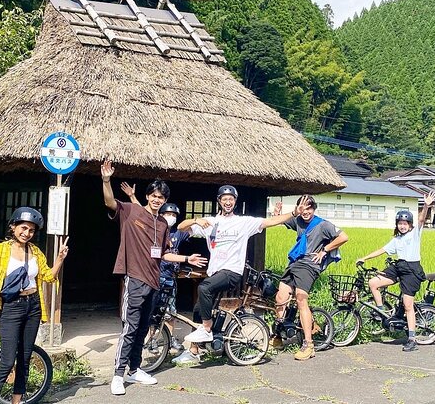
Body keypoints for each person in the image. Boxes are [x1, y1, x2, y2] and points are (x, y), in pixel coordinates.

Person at [101, 161, 206, 395]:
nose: (157, 199)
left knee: (142, 328)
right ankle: (118, 375)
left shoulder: (162, 224)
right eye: (154, 195)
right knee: (130, 327)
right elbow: (109, 202)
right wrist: (106, 180)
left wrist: (186, 259)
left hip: (154, 280)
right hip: (135, 278)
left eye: (161, 197)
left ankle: (135, 369)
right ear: (148, 196)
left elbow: (165, 253)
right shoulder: (131, 211)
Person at [171, 184, 306, 364]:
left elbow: (270, 222)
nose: (228, 202)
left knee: (203, 288)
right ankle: (195, 351)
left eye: (231, 199)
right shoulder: (210, 222)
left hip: (232, 271)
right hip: (216, 271)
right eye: (224, 199)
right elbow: (181, 227)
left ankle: (207, 329)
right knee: (198, 308)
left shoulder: (244, 222)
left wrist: (294, 213)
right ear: (219, 201)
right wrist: (196, 220)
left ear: (235, 202)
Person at [0, 207, 69, 404]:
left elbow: (48, 276)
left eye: (31, 230)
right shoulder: (0, 250)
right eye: (23, 228)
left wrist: (60, 258)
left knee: (24, 359)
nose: (27, 233)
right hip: (12, 307)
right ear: (13, 226)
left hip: (33, 306)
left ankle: (16, 401)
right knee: (8, 360)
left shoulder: (36, 252)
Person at [355, 192, 435, 352]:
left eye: (405, 223)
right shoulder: (396, 240)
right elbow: (382, 250)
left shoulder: (415, 234)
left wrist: (426, 205)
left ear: (410, 225)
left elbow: (421, 220)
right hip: (398, 267)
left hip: (412, 271)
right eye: (400, 223)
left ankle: (412, 339)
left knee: (408, 305)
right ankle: (381, 311)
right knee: (373, 283)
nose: (402, 226)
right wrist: (364, 258)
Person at [271, 194, 349, 360]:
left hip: (309, 266)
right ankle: (278, 335)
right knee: (280, 297)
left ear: (314, 209)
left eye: (309, 208)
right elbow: (281, 221)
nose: (305, 212)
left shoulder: (322, 225)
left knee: (301, 298)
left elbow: (344, 237)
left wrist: (324, 250)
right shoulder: (298, 221)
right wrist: (276, 213)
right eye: (302, 208)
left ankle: (308, 345)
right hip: (294, 263)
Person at [120, 182, 190, 351]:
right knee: (152, 312)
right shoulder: (154, 225)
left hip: (170, 277)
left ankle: (170, 338)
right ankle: (152, 340)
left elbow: (183, 229)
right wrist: (131, 196)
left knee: (170, 310)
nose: (170, 216)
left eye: (173, 214)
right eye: (168, 213)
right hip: (153, 274)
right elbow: (142, 212)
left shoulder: (172, 231)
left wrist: (187, 259)